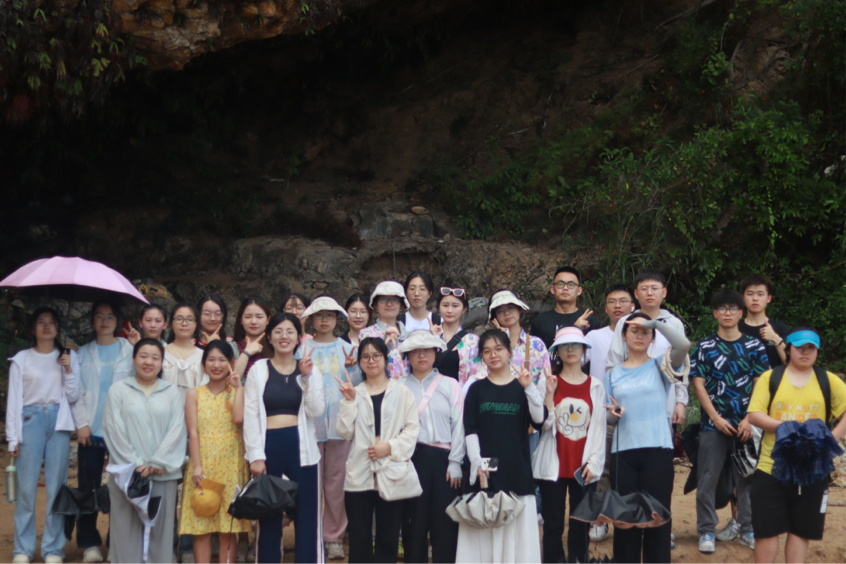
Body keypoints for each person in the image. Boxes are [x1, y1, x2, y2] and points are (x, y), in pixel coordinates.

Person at [747, 327, 846, 564]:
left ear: (817, 352)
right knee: (767, 530)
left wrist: (832, 438)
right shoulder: (771, 378)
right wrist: (786, 427)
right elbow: (754, 414)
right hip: (771, 465)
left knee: (801, 530)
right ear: (789, 349)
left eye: (811, 348)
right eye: (800, 347)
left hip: (812, 467)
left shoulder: (828, 380)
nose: (805, 352)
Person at [604, 312, 690, 564]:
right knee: (625, 522)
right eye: (634, 331)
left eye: (646, 332)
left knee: (657, 520)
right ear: (624, 336)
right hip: (623, 453)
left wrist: (655, 324)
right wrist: (613, 414)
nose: (640, 336)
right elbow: (608, 416)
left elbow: (683, 345)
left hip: (657, 450)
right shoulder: (612, 374)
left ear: (653, 338)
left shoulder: (661, 366)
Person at [457, 330, 546, 564]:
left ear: (509, 352)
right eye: (487, 351)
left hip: (516, 472)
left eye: (498, 349)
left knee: (518, 540)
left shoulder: (522, 387)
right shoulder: (476, 389)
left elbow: (539, 419)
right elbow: (470, 429)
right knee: (482, 539)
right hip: (485, 474)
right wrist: (476, 462)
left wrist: (529, 387)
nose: (493, 355)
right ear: (481, 357)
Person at [691, 289, 770, 554]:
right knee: (707, 477)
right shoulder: (704, 346)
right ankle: (706, 530)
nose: (728, 313)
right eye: (722, 308)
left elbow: (761, 383)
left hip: (747, 423)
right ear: (715, 313)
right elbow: (698, 384)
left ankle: (748, 529)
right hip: (712, 424)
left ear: (740, 313)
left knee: (747, 477)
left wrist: (749, 418)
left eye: (733, 308)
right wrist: (714, 417)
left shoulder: (755, 346)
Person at [243, 312, 325, 564]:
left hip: (303, 451)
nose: (284, 336)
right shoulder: (259, 369)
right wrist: (255, 456)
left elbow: (316, 411)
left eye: (290, 331)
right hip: (269, 449)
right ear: (269, 337)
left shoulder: (309, 368)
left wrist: (307, 377)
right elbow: (250, 414)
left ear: (299, 337)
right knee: (269, 517)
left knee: (307, 517)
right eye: (278, 331)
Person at [335, 337, 420, 564]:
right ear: (359, 362)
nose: (371, 360)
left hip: (391, 471)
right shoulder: (355, 392)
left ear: (385, 359)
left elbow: (412, 429)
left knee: (388, 537)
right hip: (359, 473)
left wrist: (390, 447)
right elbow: (344, 432)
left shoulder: (401, 392)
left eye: (376, 355)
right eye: (365, 356)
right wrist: (349, 402)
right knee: (359, 538)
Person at [103, 338, 187, 564]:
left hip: (162, 473)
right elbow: (114, 430)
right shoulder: (118, 390)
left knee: (161, 534)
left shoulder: (171, 392)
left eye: (155, 357)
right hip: (127, 476)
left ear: (161, 363)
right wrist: (136, 464)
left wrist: (159, 463)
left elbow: (177, 430)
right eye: (143, 356)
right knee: (125, 533)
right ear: (133, 359)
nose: (148, 362)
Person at [7, 307, 79, 564]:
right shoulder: (21, 359)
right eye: (41, 322)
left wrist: (68, 370)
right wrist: (13, 437)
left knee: (56, 487)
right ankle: (23, 549)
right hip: (30, 420)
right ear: (33, 327)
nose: (46, 326)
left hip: (59, 421)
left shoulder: (67, 357)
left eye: (51, 322)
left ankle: (53, 549)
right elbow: (14, 400)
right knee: (26, 488)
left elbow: (73, 396)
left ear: (58, 327)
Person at [534, 327, 607, 564]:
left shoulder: (596, 386)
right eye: (564, 346)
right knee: (553, 524)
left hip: (583, 466)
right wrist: (549, 394)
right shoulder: (548, 382)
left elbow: (599, 427)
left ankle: (579, 560)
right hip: (553, 464)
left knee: (581, 522)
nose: (570, 349)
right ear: (557, 351)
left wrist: (595, 462)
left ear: (584, 349)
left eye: (575, 345)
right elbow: (544, 424)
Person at [72, 300, 135, 563]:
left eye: (110, 316)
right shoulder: (81, 354)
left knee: (121, 489)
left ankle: (116, 542)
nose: (105, 321)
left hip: (122, 432)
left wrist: (138, 344)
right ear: (92, 321)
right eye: (99, 316)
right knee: (88, 488)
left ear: (117, 321)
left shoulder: (130, 350)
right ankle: (89, 544)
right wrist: (81, 424)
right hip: (91, 431)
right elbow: (76, 392)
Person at [299, 296, 362, 560]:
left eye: (330, 315)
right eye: (319, 315)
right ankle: (310, 533)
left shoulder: (348, 348)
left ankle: (334, 537)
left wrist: (353, 368)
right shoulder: (302, 349)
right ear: (311, 319)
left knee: (337, 483)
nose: (324, 320)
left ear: (337, 319)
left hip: (340, 426)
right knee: (310, 482)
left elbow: (357, 385)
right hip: (309, 426)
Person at [180, 341, 250, 564]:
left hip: (231, 462)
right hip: (203, 463)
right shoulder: (194, 394)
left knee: (228, 527)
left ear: (232, 364)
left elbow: (238, 418)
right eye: (211, 360)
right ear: (203, 365)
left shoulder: (239, 392)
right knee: (201, 525)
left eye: (222, 360)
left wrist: (238, 388)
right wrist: (197, 465)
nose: (216, 365)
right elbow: (193, 432)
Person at [397, 331, 465, 564]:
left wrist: (455, 462)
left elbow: (459, 425)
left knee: (444, 523)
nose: (421, 356)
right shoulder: (399, 386)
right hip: (411, 459)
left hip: (444, 461)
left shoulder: (450, 384)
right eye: (415, 352)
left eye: (426, 350)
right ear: (407, 356)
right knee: (413, 524)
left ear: (436, 353)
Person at [584, 283, 635, 542]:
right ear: (605, 308)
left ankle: (634, 520)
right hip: (602, 410)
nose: (617, 306)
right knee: (601, 467)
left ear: (633, 306)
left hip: (636, 413)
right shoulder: (594, 337)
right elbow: (572, 360)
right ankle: (600, 520)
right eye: (612, 302)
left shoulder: (644, 335)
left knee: (632, 467)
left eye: (623, 301)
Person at [606, 270, 689, 427]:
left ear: (664, 292)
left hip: (665, 398)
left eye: (654, 288)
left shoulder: (673, 324)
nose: (649, 293)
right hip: (629, 395)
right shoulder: (625, 322)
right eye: (644, 289)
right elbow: (615, 361)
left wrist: (680, 402)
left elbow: (680, 368)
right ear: (636, 294)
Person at [530, 266, 602, 349]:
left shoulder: (590, 321)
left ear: (579, 291)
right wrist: (575, 328)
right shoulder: (540, 322)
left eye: (571, 284)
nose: (565, 288)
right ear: (552, 289)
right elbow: (533, 353)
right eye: (560, 284)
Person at [360, 280, 410, 379]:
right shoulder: (366, 334)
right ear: (376, 305)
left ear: (401, 306)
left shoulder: (408, 335)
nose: (389, 304)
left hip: (406, 387)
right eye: (383, 299)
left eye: (395, 299)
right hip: (379, 387)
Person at [738, 274, 790, 367]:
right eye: (750, 294)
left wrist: (775, 338)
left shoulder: (779, 328)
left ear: (768, 298)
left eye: (760, 294)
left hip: (773, 377)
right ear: (743, 298)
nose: (755, 298)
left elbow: (790, 363)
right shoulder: (736, 328)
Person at [431, 286, 479, 384]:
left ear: (464, 309)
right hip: (430, 392)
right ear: (439, 307)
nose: (449, 310)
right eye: (445, 305)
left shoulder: (473, 341)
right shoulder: (428, 335)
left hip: (460, 392)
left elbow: (476, 375)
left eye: (455, 306)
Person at [163, 303, 205, 398]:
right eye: (179, 319)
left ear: (196, 324)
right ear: (171, 323)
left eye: (190, 319)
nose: (184, 324)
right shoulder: (161, 354)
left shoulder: (203, 356)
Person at [232, 296, 272, 382]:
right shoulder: (230, 348)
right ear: (241, 320)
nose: (254, 321)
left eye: (259, 317)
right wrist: (247, 353)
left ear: (268, 320)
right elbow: (232, 380)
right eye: (248, 317)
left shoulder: (275, 347)